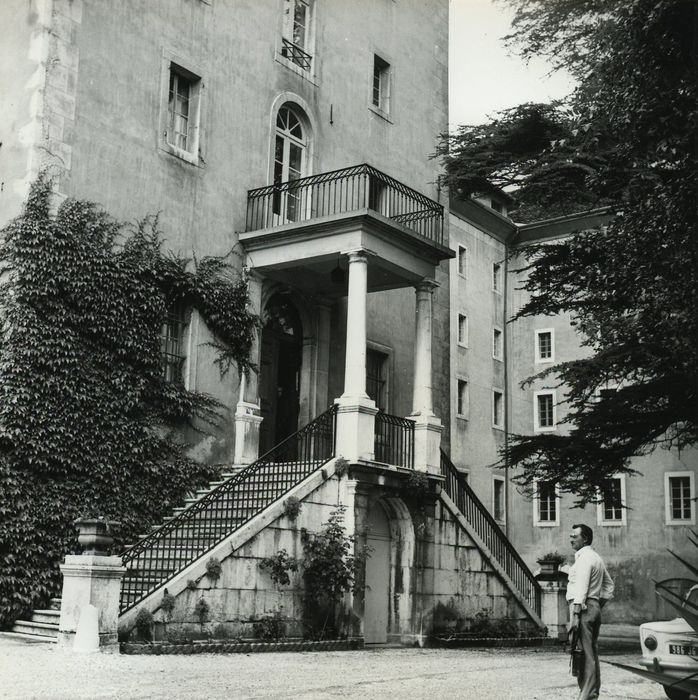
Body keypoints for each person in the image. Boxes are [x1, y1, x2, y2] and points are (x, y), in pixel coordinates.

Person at [567, 523, 615, 700]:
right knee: (591, 652)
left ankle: (587, 695)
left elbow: (582, 586)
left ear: (585, 538)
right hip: (592, 607)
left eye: (574, 536)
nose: (571, 538)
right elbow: (609, 586)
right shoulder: (596, 558)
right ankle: (592, 692)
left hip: (582, 608)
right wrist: (597, 604)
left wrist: (577, 613)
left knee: (583, 653)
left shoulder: (585, 558)